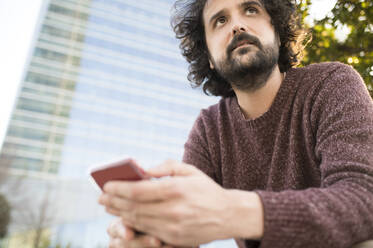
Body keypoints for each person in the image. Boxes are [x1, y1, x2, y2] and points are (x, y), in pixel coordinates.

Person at [98, 0, 373, 247]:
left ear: (277, 31)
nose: (237, 25)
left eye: (251, 9)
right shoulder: (209, 128)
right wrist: (153, 235)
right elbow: (187, 223)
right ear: (209, 58)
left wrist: (232, 212)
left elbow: (365, 199)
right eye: (220, 20)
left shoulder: (331, 84)